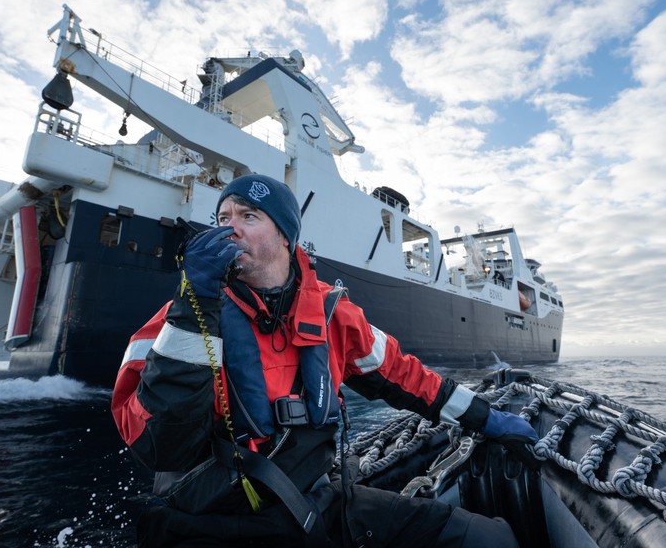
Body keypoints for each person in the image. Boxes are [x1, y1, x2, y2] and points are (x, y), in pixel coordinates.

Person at [111, 174, 538, 547]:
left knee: (487, 538)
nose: (229, 229)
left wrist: (487, 419)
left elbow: (408, 377)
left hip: (315, 503)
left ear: (285, 236)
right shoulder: (177, 320)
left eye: (248, 217)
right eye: (223, 218)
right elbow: (154, 445)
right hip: (209, 521)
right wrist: (194, 306)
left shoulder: (334, 317)